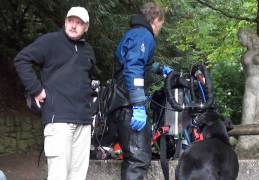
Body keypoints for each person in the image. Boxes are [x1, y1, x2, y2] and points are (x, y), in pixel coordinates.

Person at [14, 7, 96, 180]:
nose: (74, 25)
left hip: (83, 121)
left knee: (78, 176)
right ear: (65, 21)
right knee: (58, 176)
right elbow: (22, 60)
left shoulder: (88, 51)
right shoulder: (50, 41)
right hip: (58, 120)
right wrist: (36, 89)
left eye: (79, 23)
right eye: (70, 20)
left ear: (86, 27)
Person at [110, 2, 172, 180]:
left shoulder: (134, 34)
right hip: (128, 104)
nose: (161, 27)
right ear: (155, 19)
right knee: (138, 158)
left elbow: (139, 63)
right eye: (161, 23)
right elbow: (134, 68)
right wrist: (138, 105)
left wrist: (161, 69)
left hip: (121, 102)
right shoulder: (144, 35)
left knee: (135, 156)